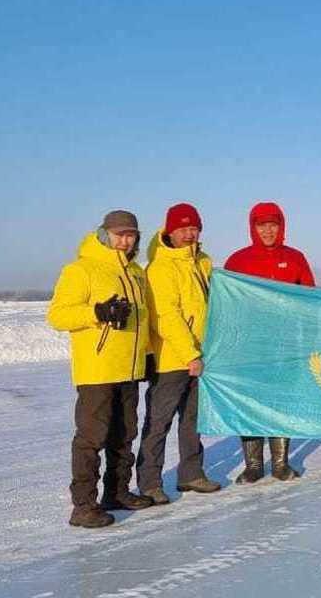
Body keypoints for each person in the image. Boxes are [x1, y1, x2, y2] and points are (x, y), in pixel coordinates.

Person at [47, 211, 153, 528]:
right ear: (104, 234)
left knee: (124, 436)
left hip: (129, 369)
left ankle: (117, 493)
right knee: (92, 438)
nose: (125, 240)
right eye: (119, 234)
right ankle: (84, 506)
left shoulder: (136, 272)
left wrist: (146, 355)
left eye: (131, 235)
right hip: (97, 370)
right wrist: (97, 311)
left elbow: (143, 320)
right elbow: (58, 316)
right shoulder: (81, 269)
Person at [223, 202, 315, 483]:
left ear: (281, 226)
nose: (267, 230)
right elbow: (227, 305)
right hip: (250, 346)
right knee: (250, 402)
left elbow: (310, 299)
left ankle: (280, 463)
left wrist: (309, 337)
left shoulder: (296, 258)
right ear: (253, 227)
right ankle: (253, 465)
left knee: (280, 402)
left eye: (273, 224)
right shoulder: (237, 261)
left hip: (285, 345)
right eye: (261, 225)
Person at [136, 203, 221, 506]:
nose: (189, 234)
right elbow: (166, 317)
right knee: (159, 422)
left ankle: (191, 473)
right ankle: (149, 482)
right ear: (170, 231)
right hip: (172, 359)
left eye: (194, 228)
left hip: (201, 356)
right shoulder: (161, 267)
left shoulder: (203, 263)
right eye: (183, 228)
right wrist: (189, 355)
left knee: (192, 419)